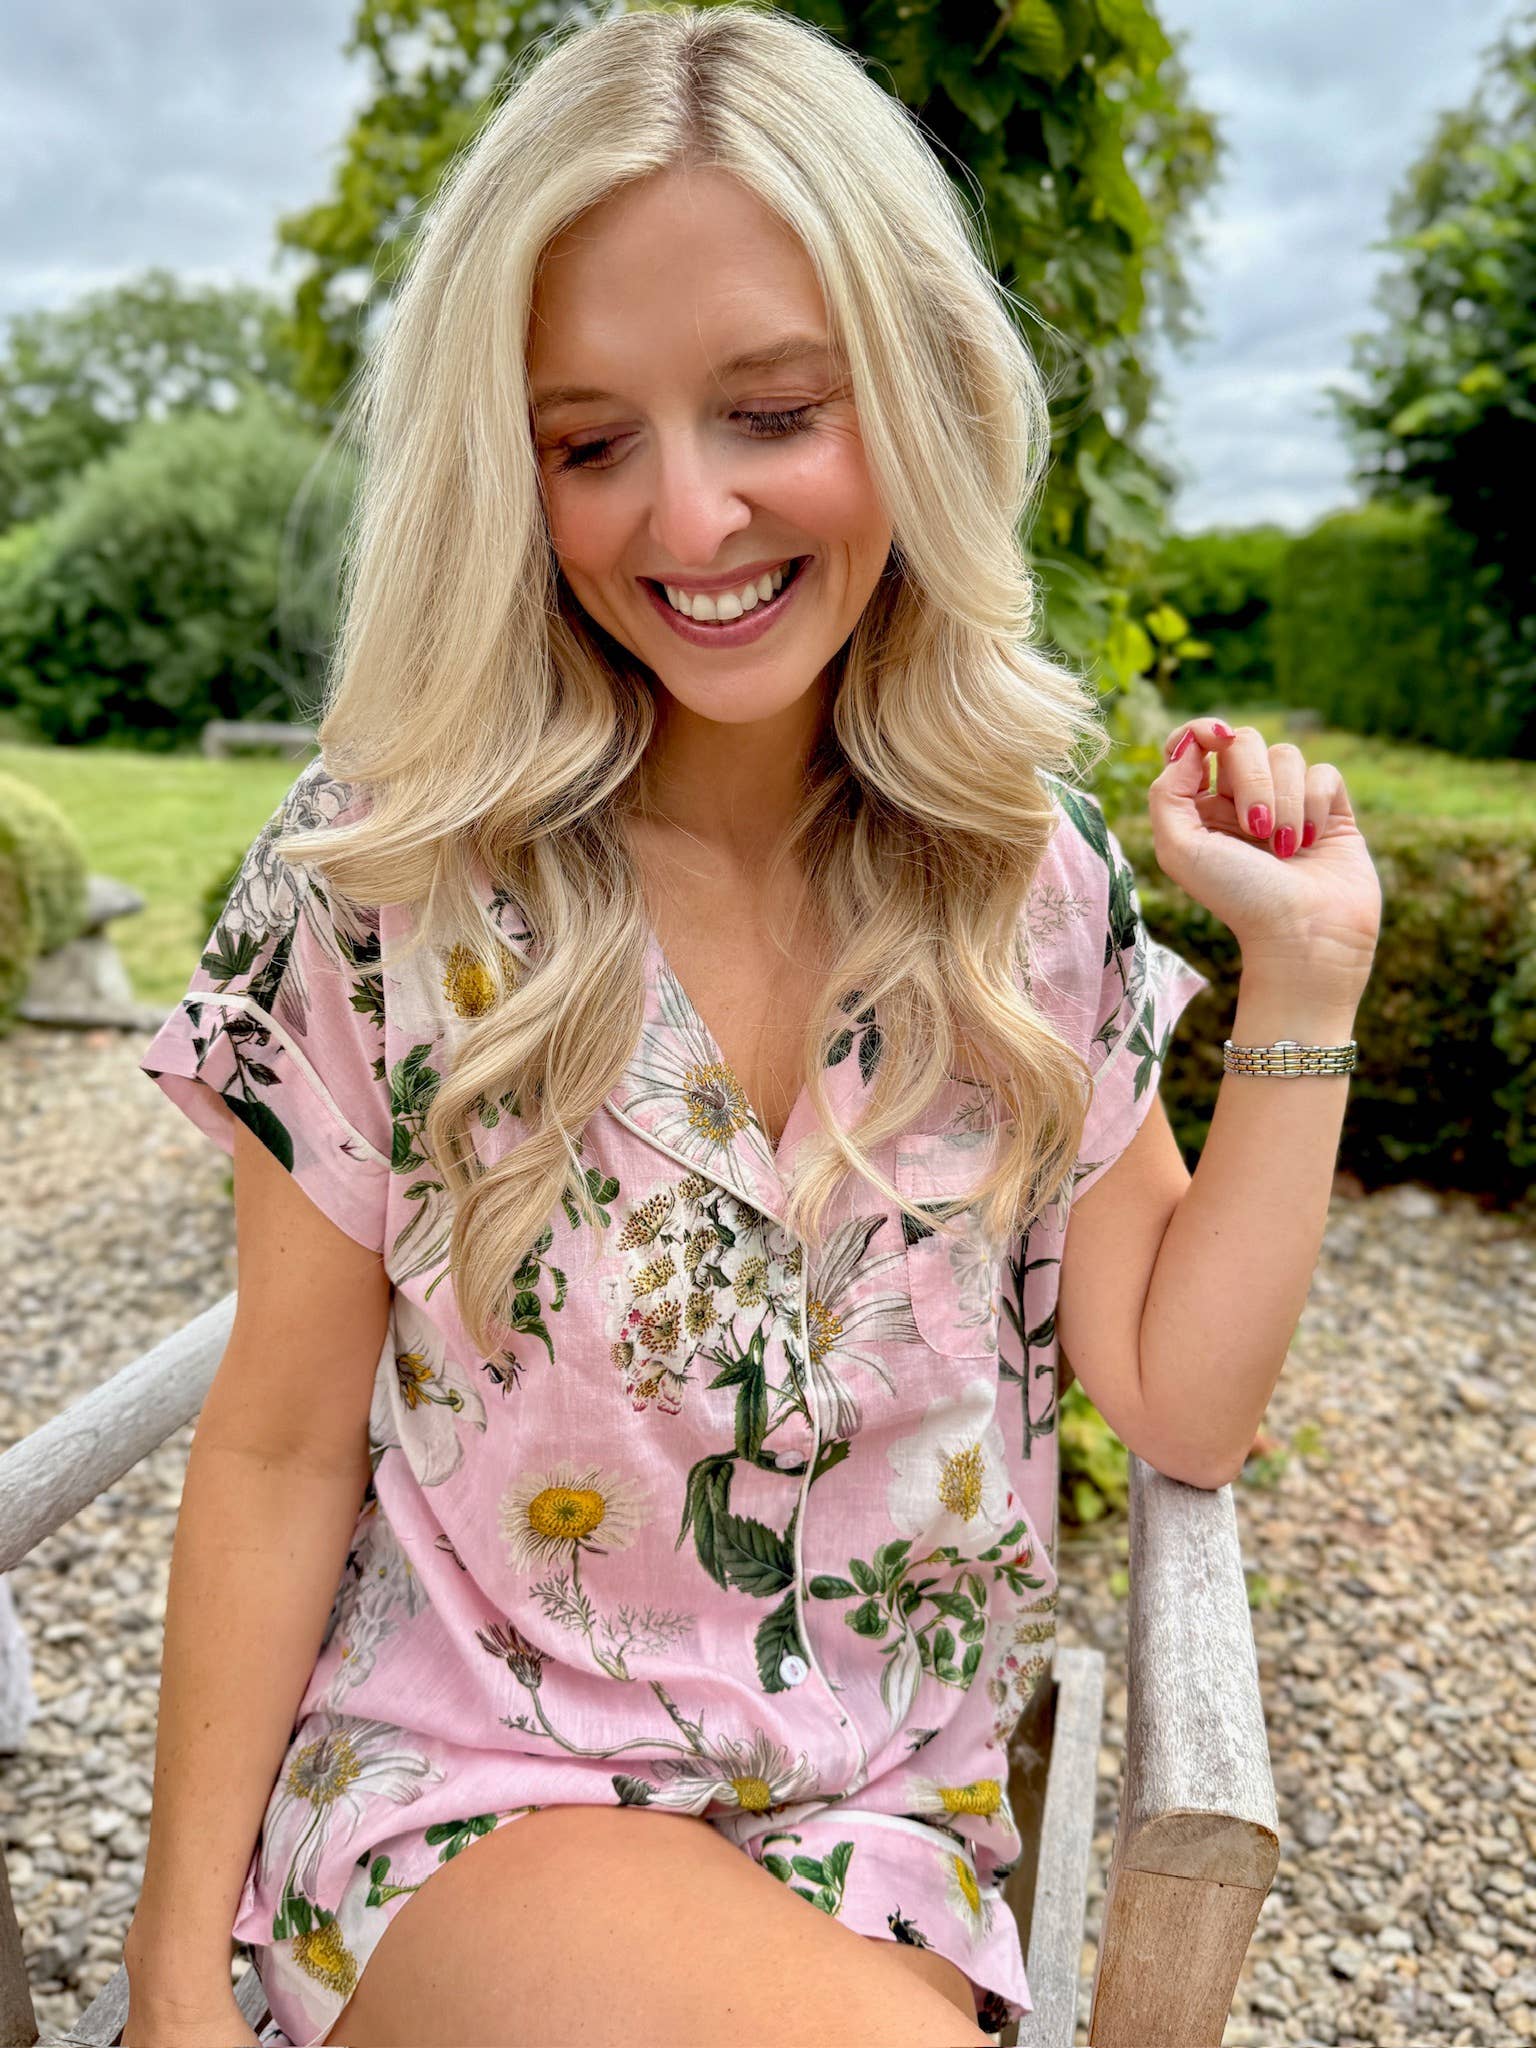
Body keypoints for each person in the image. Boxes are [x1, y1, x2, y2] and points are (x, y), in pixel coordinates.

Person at [120, 6, 1382, 2045]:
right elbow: (273, 1443)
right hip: (477, 1796)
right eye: (589, 444)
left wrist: (1308, 979)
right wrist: (170, 1979)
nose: (689, 521)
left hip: (881, 1843)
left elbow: (1180, 1399)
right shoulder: (383, 880)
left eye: (772, 411)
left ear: (918, 392)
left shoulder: (1025, 887)